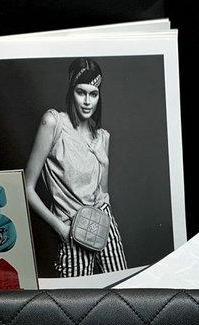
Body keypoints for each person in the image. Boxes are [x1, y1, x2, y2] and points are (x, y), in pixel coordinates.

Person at [25, 58, 128, 277]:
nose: (88, 101)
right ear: (71, 91)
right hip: (71, 228)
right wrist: (60, 227)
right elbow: (27, 188)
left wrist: (105, 162)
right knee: (78, 296)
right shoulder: (54, 123)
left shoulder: (102, 136)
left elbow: (102, 194)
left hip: (103, 223)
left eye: (94, 94)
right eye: (81, 92)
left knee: (123, 285)